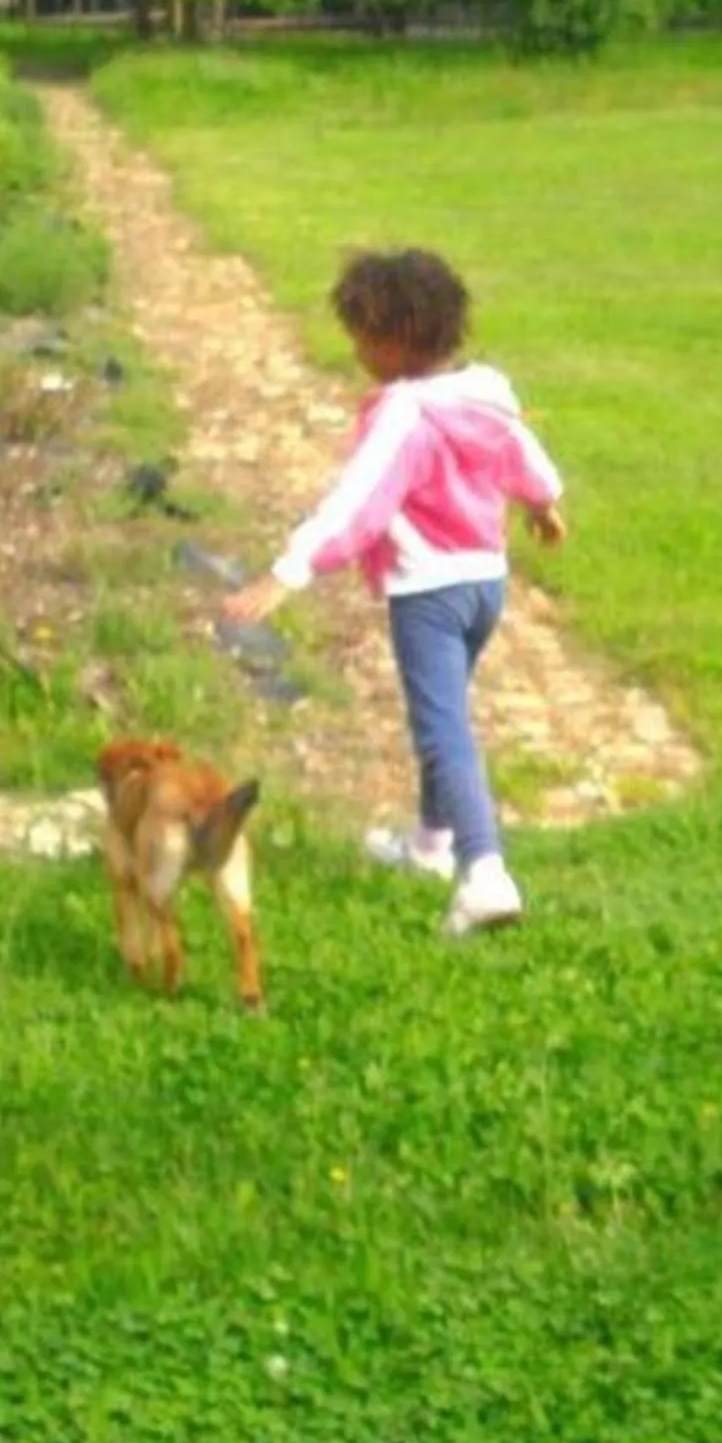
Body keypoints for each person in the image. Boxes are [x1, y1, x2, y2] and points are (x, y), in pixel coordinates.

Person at [224, 248, 568, 937]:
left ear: (391, 338)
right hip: (484, 584)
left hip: (431, 595)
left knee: (444, 731)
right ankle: (432, 846)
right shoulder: (482, 396)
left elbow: (358, 504)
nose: (355, 351)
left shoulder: (403, 413)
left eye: (360, 337)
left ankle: (485, 872)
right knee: (441, 716)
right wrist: (544, 502)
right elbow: (523, 456)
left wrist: (287, 571)